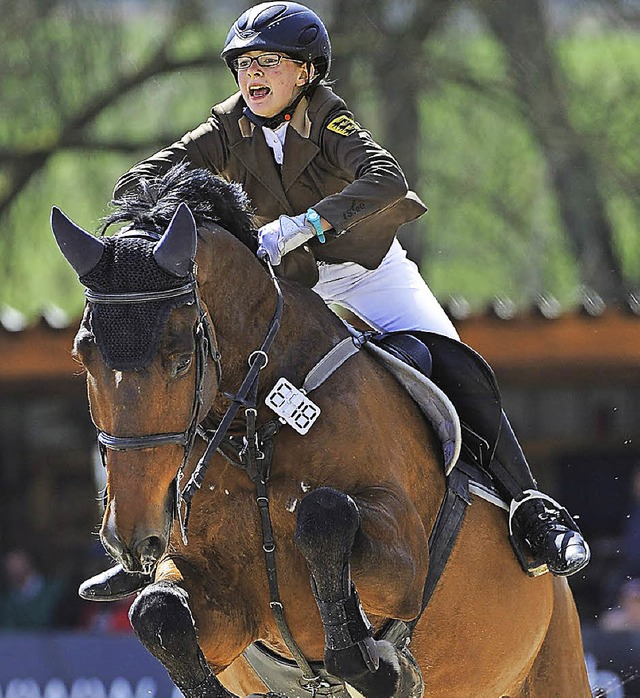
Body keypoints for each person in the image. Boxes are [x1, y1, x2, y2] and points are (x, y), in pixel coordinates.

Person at [79, 1, 589, 604]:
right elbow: (139, 180)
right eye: (243, 65)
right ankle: (155, 543)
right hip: (289, 286)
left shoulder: (329, 120)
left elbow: (386, 179)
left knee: (457, 365)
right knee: (199, 381)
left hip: (365, 272)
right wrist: (170, 209)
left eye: (269, 62)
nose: (252, 76)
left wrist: (304, 224)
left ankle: (531, 510)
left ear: (306, 74)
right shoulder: (223, 128)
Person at [0, 549, 64, 630]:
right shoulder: (6, 601)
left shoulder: (55, 591)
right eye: (9, 565)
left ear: (28, 563)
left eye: (17, 563)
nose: (13, 569)